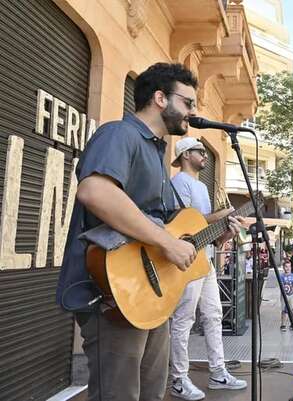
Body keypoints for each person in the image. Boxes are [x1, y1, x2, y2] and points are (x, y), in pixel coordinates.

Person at [56, 63, 202, 401]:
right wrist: (167, 242)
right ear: (160, 98)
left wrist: (213, 233)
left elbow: (166, 224)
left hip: (149, 296)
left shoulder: (156, 151)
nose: (193, 113)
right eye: (188, 102)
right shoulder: (119, 134)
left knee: (151, 393)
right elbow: (94, 191)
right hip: (111, 294)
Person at [169, 136, 246, 400]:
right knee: (183, 320)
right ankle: (178, 379)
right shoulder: (179, 182)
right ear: (185, 155)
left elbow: (208, 234)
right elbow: (185, 223)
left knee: (214, 315)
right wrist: (222, 215)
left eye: (204, 150)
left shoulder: (202, 187)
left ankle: (218, 372)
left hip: (205, 259)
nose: (204, 155)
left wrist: (227, 233)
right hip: (187, 261)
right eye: (199, 151)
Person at [279, 258, 293, 331]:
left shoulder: (292, 275)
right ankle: (283, 325)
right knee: (284, 310)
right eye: (286, 266)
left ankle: (292, 323)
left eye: (289, 266)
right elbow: (281, 285)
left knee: (292, 309)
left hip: (291, 295)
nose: (288, 268)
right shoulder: (281, 276)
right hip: (284, 295)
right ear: (283, 267)